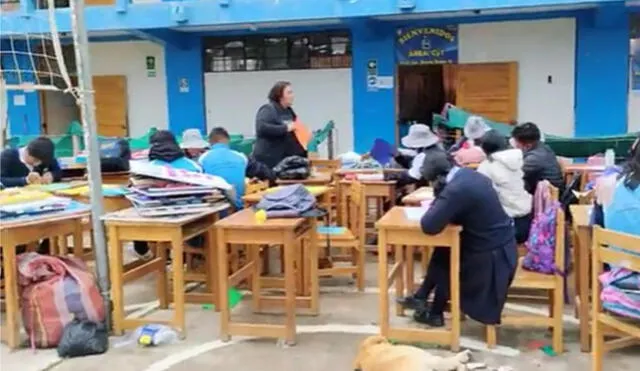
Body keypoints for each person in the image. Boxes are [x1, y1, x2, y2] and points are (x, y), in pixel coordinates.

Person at [397, 148, 517, 327]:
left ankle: (433, 310)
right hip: (499, 244)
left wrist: (440, 195)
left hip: (492, 258)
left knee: (449, 256)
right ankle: (423, 299)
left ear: (438, 179)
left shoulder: (456, 190)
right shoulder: (467, 175)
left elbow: (429, 226)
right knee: (445, 250)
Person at [133, 130, 202, 259]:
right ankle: (186, 254)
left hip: (155, 222)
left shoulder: (148, 168)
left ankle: (147, 252)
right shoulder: (194, 166)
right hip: (193, 222)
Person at [477, 130, 533, 243]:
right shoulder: (517, 160)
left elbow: (479, 197)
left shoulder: (486, 167)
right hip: (526, 223)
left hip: (505, 228)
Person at [252, 81, 306, 169]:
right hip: (268, 160)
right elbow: (261, 128)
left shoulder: (289, 111)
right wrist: (285, 128)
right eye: (289, 93)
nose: (292, 96)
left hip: (285, 160)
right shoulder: (268, 109)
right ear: (280, 96)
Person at [199, 127, 247, 209]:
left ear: (210, 142)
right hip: (240, 205)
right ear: (228, 140)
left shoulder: (203, 158)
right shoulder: (241, 157)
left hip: (216, 206)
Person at [510, 122, 564, 195]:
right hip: (545, 193)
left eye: (516, 142)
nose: (514, 144)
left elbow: (513, 174)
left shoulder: (534, 158)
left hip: (549, 199)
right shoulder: (541, 147)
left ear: (528, 146)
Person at [386, 124, 441, 188]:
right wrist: (398, 157)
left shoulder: (424, 155)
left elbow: (412, 176)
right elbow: (413, 164)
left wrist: (387, 176)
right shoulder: (436, 150)